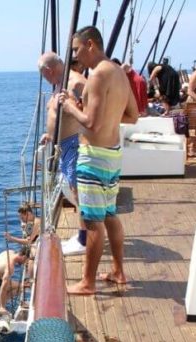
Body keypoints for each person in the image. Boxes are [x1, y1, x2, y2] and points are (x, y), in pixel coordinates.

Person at [59, 26, 138, 295]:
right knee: (110, 215)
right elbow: (132, 115)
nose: (75, 56)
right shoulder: (118, 73)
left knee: (92, 221)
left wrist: (69, 106)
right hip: (113, 154)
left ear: (90, 44)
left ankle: (87, 283)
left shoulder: (96, 77)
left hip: (93, 157)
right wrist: (103, 119)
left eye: (76, 49)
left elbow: (90, 125)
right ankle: (118, 271)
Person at [38, 51, 88, 256]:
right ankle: (83, 234)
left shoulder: (75, 82)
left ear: (49, 70)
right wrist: (50, 135)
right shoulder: (58, 83)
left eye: (43, 74)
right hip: (63, 145)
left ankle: (85, 241)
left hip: (74, 144)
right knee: (73, 191)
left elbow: (92, 111)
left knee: (79, 192)